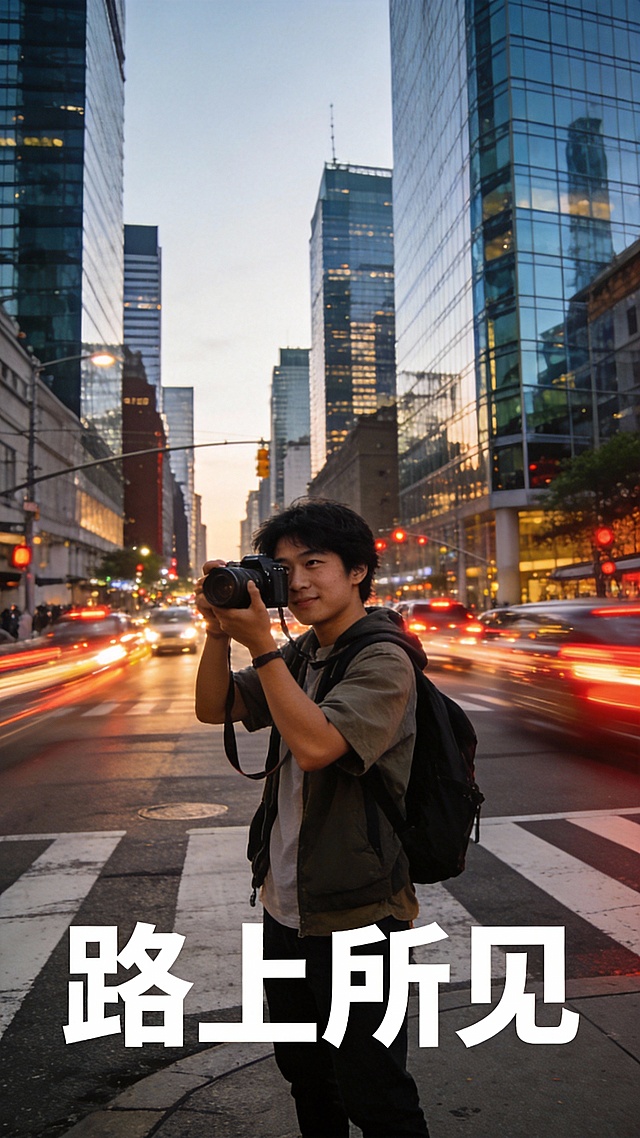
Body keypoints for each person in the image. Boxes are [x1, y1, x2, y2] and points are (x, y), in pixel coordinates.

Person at [195, 499, 429, 1138]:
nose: (296, 581)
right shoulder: (301, 654)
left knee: (374, 1091)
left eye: (314, 563)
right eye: (283, 568)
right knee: (305, 1074)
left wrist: (263, 645)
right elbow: (213, 707)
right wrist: (220, 632)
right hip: (285, 904)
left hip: (357, 915)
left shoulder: (384, 656)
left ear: (357, 572)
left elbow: (320, 747)